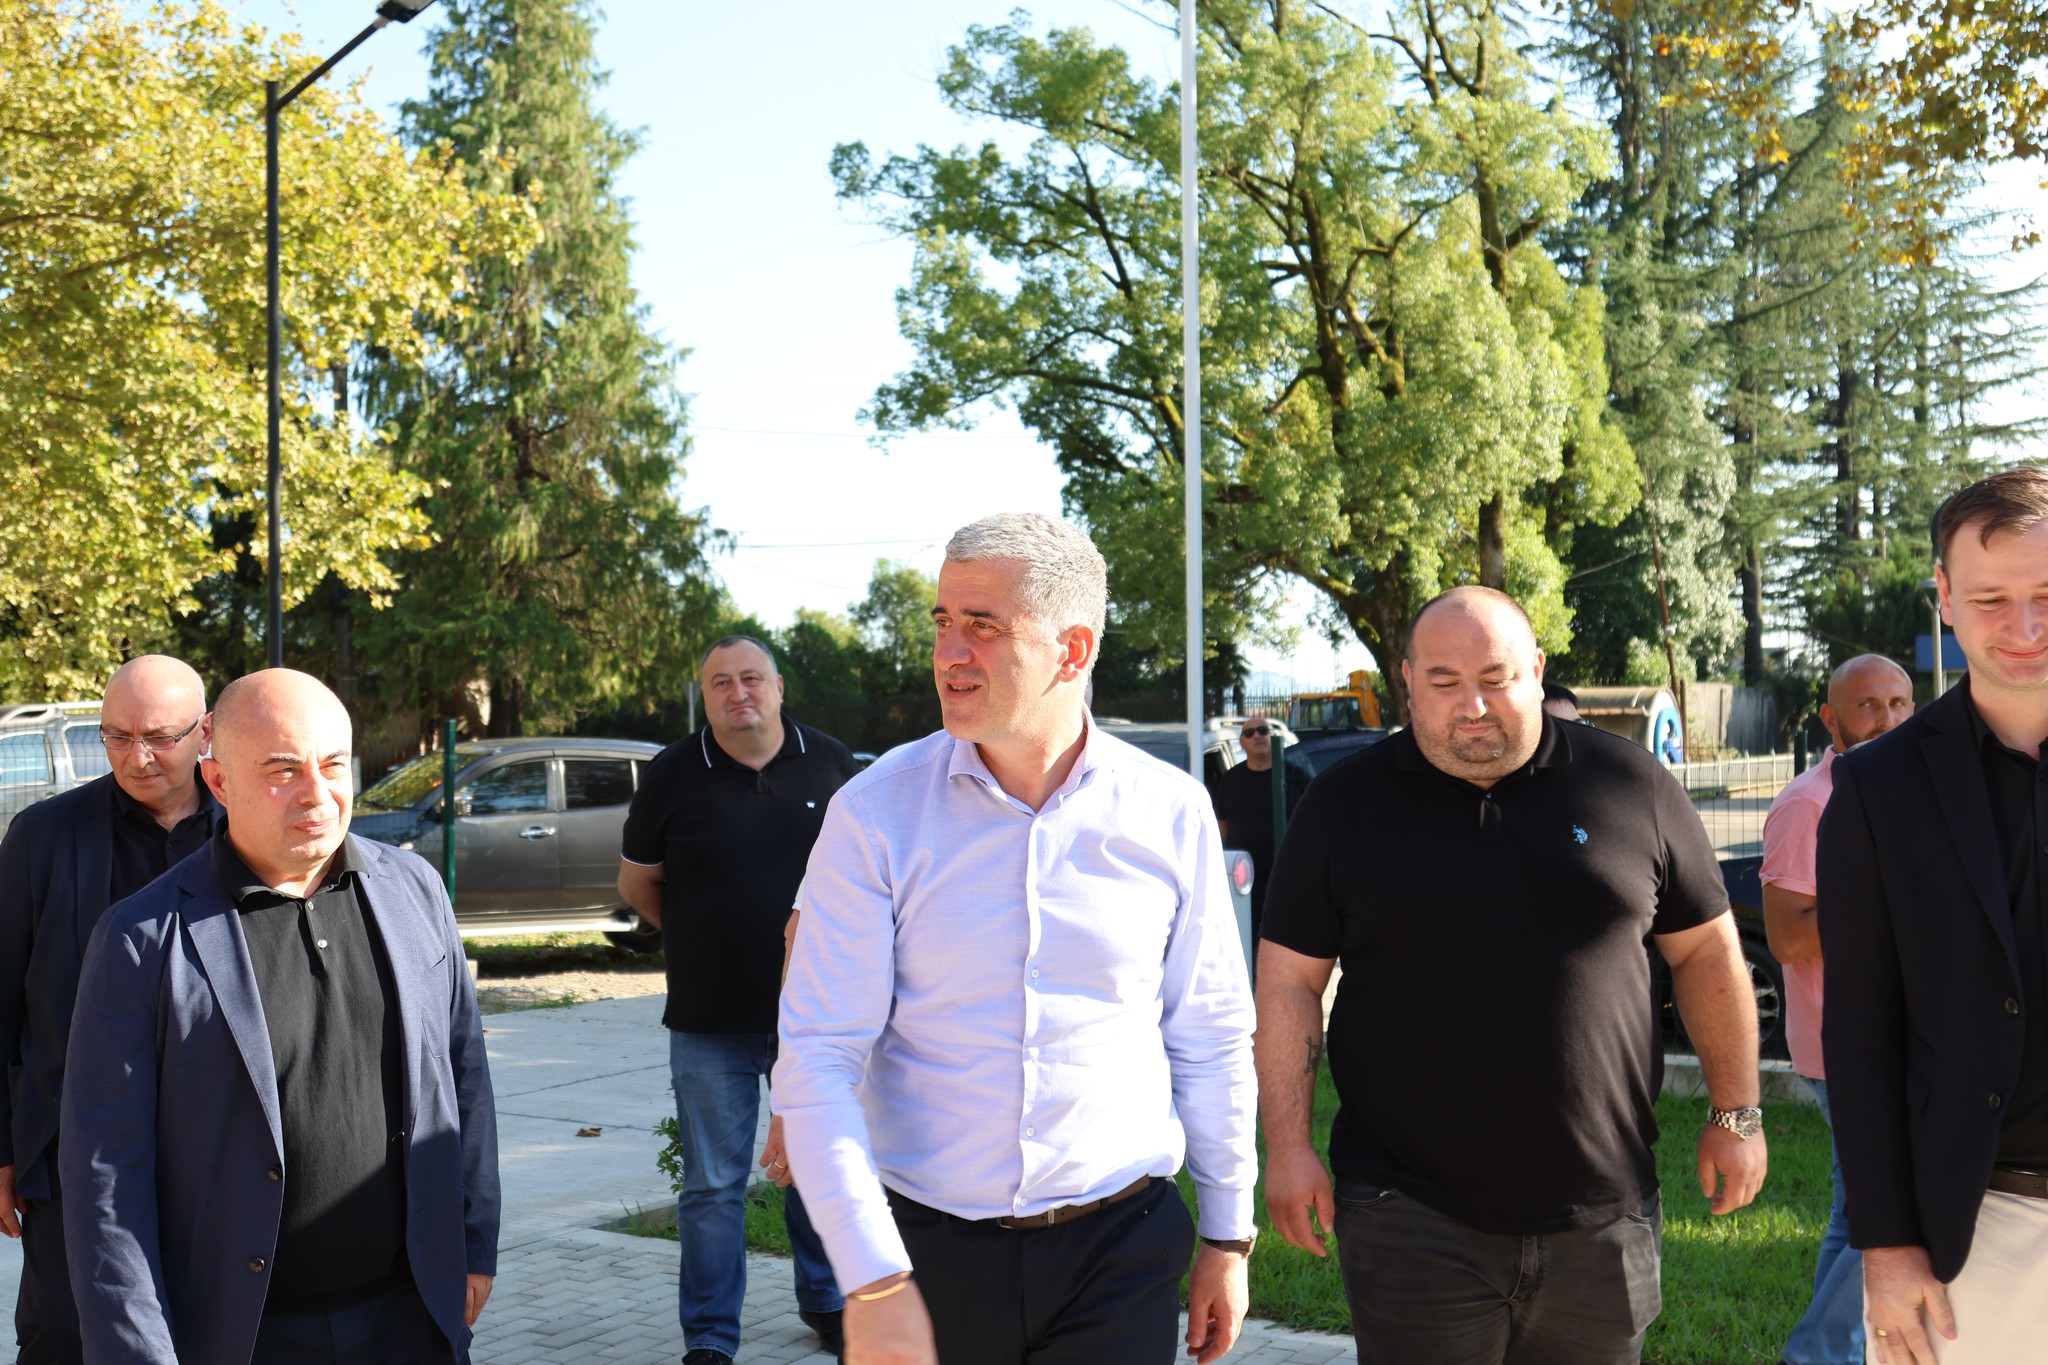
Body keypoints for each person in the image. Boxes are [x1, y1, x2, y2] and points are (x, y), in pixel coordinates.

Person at [774, 513, 1259, 1365]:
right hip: (927, 1254)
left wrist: (1228, 1234)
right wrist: (871, 1276)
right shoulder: (874, 813)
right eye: (942, 622)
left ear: (1074, 650)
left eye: (983, 625)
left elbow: (1211, 1035)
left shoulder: (1171, 811)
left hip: (1120, 1247)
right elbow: (816, 1054)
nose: (949, 653)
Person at [1257, 586, 1766, 1365]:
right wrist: (1288, 1147)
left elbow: (1707, 951)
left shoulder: (1631, 785)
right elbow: (1289, 982)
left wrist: (1737, 1112)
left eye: (1495, 678)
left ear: (1535, 669)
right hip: (1408, 1212)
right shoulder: (1341, 805)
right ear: (1407, 681)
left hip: (1603, 1208)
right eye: (1444, 681)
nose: (1472, 705)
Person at [61, 669, 499, 1365]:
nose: (316, 793)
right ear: (218, 780)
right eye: (283, 770)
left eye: (333, 765)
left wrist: (474, 1243)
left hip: (411, 1317)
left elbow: (463, 1076)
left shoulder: (414, 888)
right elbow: (105, 1176)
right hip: (239, 1334)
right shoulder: (141, 938)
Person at [1818, 467, 2048, 1364]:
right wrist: (1884, 1241)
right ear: (1945, 598)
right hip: (1974, 1234)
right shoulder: (1877, 789)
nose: (2025, 627)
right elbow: (1861, 1034)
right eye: (1992, 599)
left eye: (2046, 595)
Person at [617, 636, 854, 1365]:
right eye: (720, 682)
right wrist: (700, 935)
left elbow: (864, 877)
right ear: (705, 695)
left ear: (779, 687)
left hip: (815, 1018)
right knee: (713, 1186)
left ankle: (827, 1303)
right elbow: (637, 883)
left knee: (817, 1167)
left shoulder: (831, 764)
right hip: (708, 1018)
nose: (737, 692)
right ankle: (712, 1336)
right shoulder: (672, 772)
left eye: (751, 677)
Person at [0, 656, 217, 1364]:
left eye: (158, 737)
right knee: (68, 1339)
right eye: (117, 737)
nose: (137, 756)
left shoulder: (247, 832)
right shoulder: (42, 836)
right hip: (74, 1153)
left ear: (205, 732)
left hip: (222, 1153)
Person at [1761, 653, 1915, 1365]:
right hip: (1850, 1048)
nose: (1887, 719)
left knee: (1857, 1212)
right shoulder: (1809, 803)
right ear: (1831, 718)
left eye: (1900, 703)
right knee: (1892, 1207)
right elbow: (1788, 936)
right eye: (1868, 705)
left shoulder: (1914, 790)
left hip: (1906, 1040)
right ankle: (1819, 1354)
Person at [1212, 718, 1310, 941]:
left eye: (1263, 730)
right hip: (1243, 883)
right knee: (1246, 942)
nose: (1257, 735)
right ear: (1242, 743)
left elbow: (1313, 823)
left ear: (1272, 736)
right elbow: (1223, 825)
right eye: (1249, 733)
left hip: (1287, 881)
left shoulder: (1295, 776)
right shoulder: (1230, 780)